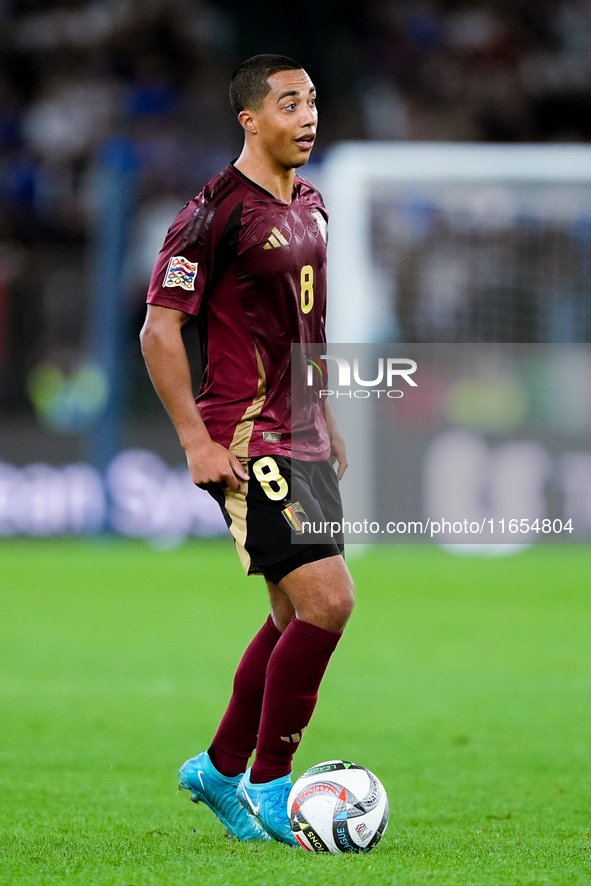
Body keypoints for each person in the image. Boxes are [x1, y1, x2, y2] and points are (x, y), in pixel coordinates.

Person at [140, 54, 354, 845]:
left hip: (300, 430)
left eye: (313, 100)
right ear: (249, 120)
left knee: (292, 610)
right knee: (330, 602)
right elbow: (159, 329)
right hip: (244, 431)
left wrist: (325, 412)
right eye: (290, 102)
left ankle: (218, 767)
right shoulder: (212, 213)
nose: (307, 115)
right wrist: (195, 440)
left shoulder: (311, 202)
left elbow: (309, 322)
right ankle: (270, 780)